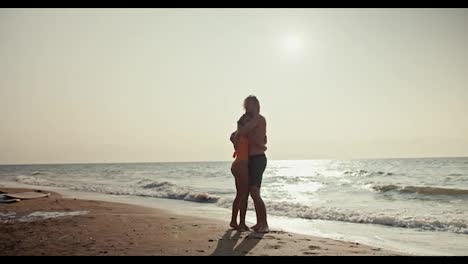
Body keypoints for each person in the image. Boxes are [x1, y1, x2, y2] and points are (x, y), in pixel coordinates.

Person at [231, 95, 269, 233]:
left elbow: (242, 131)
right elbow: (236, 135)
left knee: (254, 192)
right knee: (251, 193)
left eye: (250, 104)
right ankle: (259, 223)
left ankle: (264, 224)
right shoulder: (249, 121)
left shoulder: (259, 119)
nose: (247, 107)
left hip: (258, 158)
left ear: (256, 105)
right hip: (249, 159)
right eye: (246, 105)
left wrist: (239, 125)